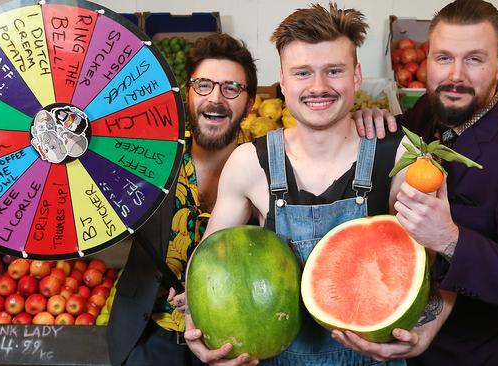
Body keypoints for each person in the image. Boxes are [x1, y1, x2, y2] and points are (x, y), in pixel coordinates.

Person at [183, 3, 455, 365]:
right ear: (282, 80)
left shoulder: (401, 157)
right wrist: (195, 325)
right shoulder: (250, 163)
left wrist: (427, 331)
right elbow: (207, 262)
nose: (318, 87)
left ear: (356, 76)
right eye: (302, 73)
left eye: (334, 70)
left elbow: (444, 255)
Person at [107, 32, 397, 366]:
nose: (215, 98)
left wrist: (369, 117)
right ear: (187, 93)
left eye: (231, 88)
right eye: (203, 85)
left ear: (251, 103)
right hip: (150, 329)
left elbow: (323, 132)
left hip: (245, 332)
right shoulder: (145, 158)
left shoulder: (262, 161)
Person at [344, 1, 498, 364]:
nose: (455, 75)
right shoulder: (428, 111)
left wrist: (450, 240)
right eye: (444, 58)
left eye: (474, 59)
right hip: (388, 339)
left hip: (465, 355)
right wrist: (373, 119)